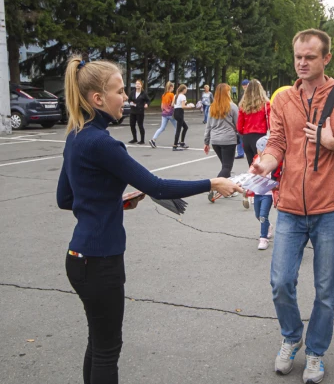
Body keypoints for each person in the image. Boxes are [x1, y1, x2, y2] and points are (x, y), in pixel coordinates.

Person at [57, 57, 241, 384]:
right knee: (106, 350)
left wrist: (114, 201)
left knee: (97, 343)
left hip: (78, 258)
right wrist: (212, 182)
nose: (126, 97)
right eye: (120, 90)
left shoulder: (76, 136)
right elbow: (156, 186)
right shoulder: (102, 142)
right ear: (98, 99)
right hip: (101, 262)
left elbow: (66, 199)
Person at [250, 28, 334, 384]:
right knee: (280, 282)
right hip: (288, 207)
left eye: (310, 57)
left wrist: (333, 142)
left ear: (326, 59)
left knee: (325, 289)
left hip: (330, 211)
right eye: (298, 57)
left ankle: (316, 351)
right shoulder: (284, 98)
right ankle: (292, 336)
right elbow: (276, 143)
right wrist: (264, 163)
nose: (302, 63)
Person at [204, 83, 239, 180]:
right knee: (227, 167)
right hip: (228, 139)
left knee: (225, 166)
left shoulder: (212, 107)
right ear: (227, 93)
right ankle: (215, 185)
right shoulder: (232, 106)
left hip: (215, 140)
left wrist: (206, 142)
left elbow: (208, 125)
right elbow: (238, 125)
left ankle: (228, 188)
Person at [237, 79, 271, 167]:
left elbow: (239, 127)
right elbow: (270, 122)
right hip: (260, 136)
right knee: (262, 165)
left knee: (251, 165)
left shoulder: (243, 104)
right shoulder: (265, 104)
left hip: (247, 137)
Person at [253, 136, 274, 250]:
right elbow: (252, 175)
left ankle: (263, 238)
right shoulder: (256, 160)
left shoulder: (272, 162)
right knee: (258, 215)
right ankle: (268, 226)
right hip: (257, 192)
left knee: (263, 215)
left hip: (268, 194)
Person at [149, 81, 177, 148]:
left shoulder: (163, 95)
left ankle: (153, 139)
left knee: (162, 128)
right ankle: (176, 141)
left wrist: (164, 110)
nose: (173, 88)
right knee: (177, 127)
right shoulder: (172, 95)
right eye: (173, 87)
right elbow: (173, 104)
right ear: (171, 87)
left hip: (164, 113)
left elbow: (162, 106)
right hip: (170, 113)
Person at [128, 79, 150, 144]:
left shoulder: (143, 93)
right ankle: (134, 138)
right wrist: (131, 102)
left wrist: (146, 104)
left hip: (140, 112)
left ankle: (142, 140)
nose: (137, 85)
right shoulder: (132, 92)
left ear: (141, 85)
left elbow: (148, 100)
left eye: (138, 84)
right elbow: (129, 99)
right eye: (136, 84)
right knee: (132, 125)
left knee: (140, 125)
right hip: (133, 111)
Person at [172, 84, 191, 151]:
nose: (186, 90)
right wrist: (189, 106)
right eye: (186, 89)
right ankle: (175, 145)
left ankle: (182, 142)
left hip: (175, 112)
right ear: (183, 90)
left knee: (185, 127)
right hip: (180, 112)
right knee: (178, 129)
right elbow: (183, 106)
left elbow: (172, 104)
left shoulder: (175, 95)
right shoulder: (183, 96)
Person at [235, 80, 250, 159]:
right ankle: (240, 152)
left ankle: (245, 151)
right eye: (243, 85)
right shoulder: (243, 94)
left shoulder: (251, 94)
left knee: (243, 137)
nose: (244, 87)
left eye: (246, 85)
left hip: (247, 118)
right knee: (239, 135)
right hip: (242, 116)